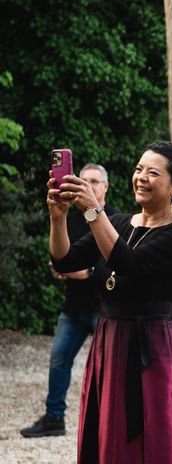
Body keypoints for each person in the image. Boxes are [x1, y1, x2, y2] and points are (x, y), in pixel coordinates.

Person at [47, 141, 172, 462]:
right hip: (110, 341)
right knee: (109, 433)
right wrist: (58, 217)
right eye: (139, 169)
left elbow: (130, 263)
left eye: (153, 172)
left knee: (156, 435)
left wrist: (93, 211)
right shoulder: (120, 223)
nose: (141, 177)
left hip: (153, 348)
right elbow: (65, 260)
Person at [21, 164, 116, 438]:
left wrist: (85, 272)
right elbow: (62, 256)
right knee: (58, 359)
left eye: (95, 181)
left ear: (105, 186)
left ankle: (107, 423)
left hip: (104, 309)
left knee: (108, 368)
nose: (89, 185)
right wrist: (60, 267)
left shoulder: (114, 219)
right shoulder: (69, 218)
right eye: (84, 180)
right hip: (74, 307)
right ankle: (54, 418)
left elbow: (116, 263)